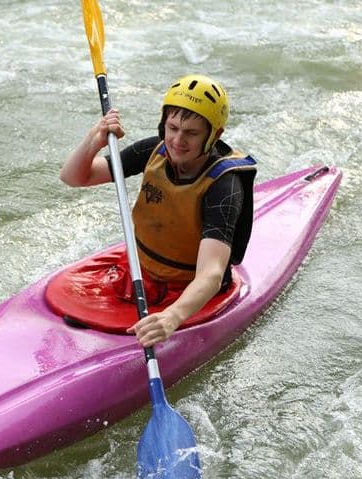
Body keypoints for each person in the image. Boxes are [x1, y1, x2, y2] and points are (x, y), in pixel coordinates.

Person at [59, 74, 257, 348]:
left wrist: (172, 317)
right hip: (138, 272)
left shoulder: (224, 185)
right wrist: (95, 140)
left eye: (191, 133)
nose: (177, 140)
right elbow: (74, 177)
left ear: (215, 134)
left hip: (187, 291)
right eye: (172, 127)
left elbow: (211, 273)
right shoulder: (154, 150)